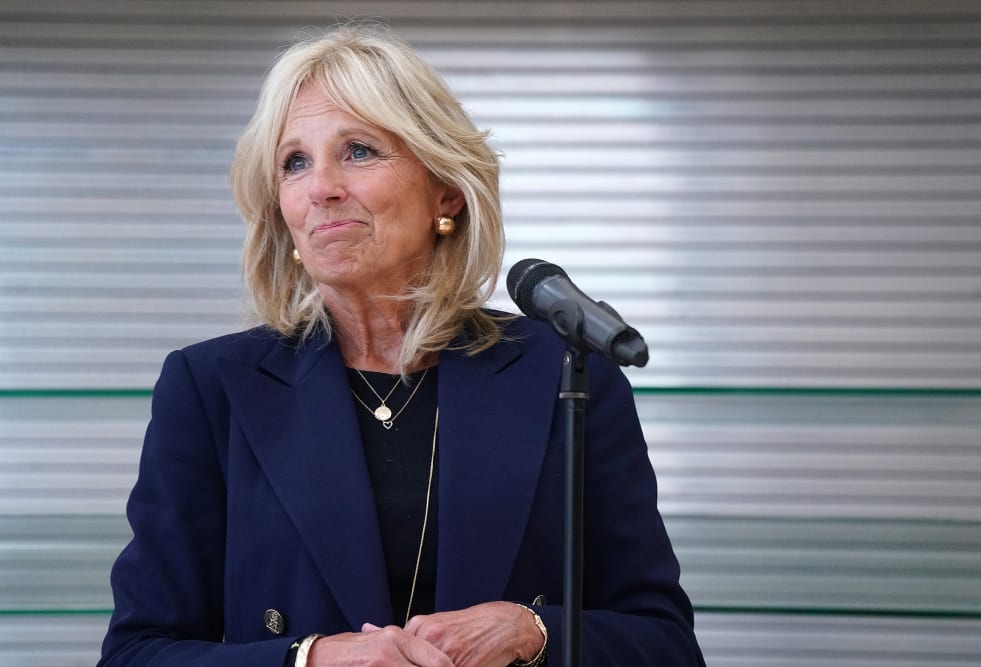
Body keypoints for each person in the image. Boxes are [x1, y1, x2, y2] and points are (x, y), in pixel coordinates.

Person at [98, 23, 705, 667]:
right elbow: (138, 653)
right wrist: (309, 659)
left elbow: (663, 642)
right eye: (294, 162)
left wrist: (536, 632)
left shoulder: (563, 371)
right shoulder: (210, 385)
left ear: (444, 190)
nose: (321, 186)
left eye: (358, 151)